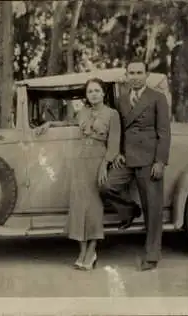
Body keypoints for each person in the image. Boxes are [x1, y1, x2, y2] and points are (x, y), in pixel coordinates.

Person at [35, 78, 121, 271]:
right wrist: (50, 124)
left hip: (99, 160)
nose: (94, 94)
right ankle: (81, 251)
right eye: (90, 92)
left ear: (103, 93)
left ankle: (92, 249)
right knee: (78, 205)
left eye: (97, 91)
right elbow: (68, 123)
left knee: (93, 206)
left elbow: (114, 143)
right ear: (87, 95)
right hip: (80, 160)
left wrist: (104, 165)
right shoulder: (82, 112)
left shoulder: (112, 114)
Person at [100, 59, 171, 271]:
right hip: (127, 158)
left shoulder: (157, 98)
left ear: (146, 75)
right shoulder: (121, 100)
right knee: (106, 186)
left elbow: (164, 132)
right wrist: (118, 152)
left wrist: (160, 161)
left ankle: (151, 255)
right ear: (127, 76)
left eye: (140, 73)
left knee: (153, 208)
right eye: (132, 73)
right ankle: (130, 211)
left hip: (149, 160)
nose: (136, 76)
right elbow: (117, 129)